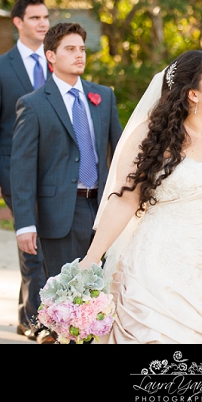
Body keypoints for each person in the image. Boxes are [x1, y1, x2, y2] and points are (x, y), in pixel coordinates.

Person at [79, 50, 202, 344]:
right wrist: (92, 257)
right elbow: (126, 199)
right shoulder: (151, 137)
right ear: (193, 94)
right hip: (157, 270)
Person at [11, 22, 122, 343]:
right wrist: (24, 224)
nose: (78, 55)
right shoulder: (33, 104)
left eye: (82, 49)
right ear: (51, 56)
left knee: (99, 291)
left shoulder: (103, 96)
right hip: (58, 211)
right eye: (70, 49)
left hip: (101, 208)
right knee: (67, 298)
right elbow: (22, 169)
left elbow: (119, 153)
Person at [0, 0, 52, 342]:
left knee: (48, 241)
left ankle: (29, 312)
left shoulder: (60, 62)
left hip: (56, 171)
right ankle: (37, 321)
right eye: (35, 17)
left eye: (46, 17)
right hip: (12, 171)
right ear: (18, 22)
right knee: (32, 241)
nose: (42, 23)